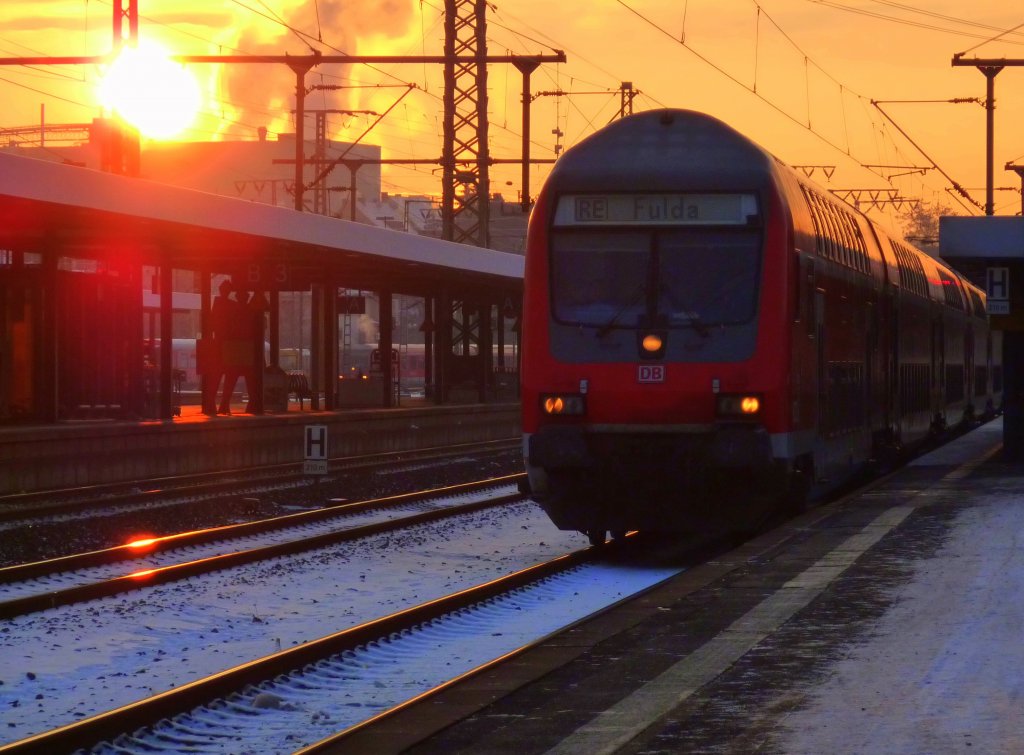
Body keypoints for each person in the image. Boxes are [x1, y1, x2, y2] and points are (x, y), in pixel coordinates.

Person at [203, 279, 233, 415]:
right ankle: (222, 404)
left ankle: (212, 404)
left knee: (217, 375)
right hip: (227, 344)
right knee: (226, 374)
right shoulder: (231, 305)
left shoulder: (217, 304)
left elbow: (212, 324)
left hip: (219, 342)